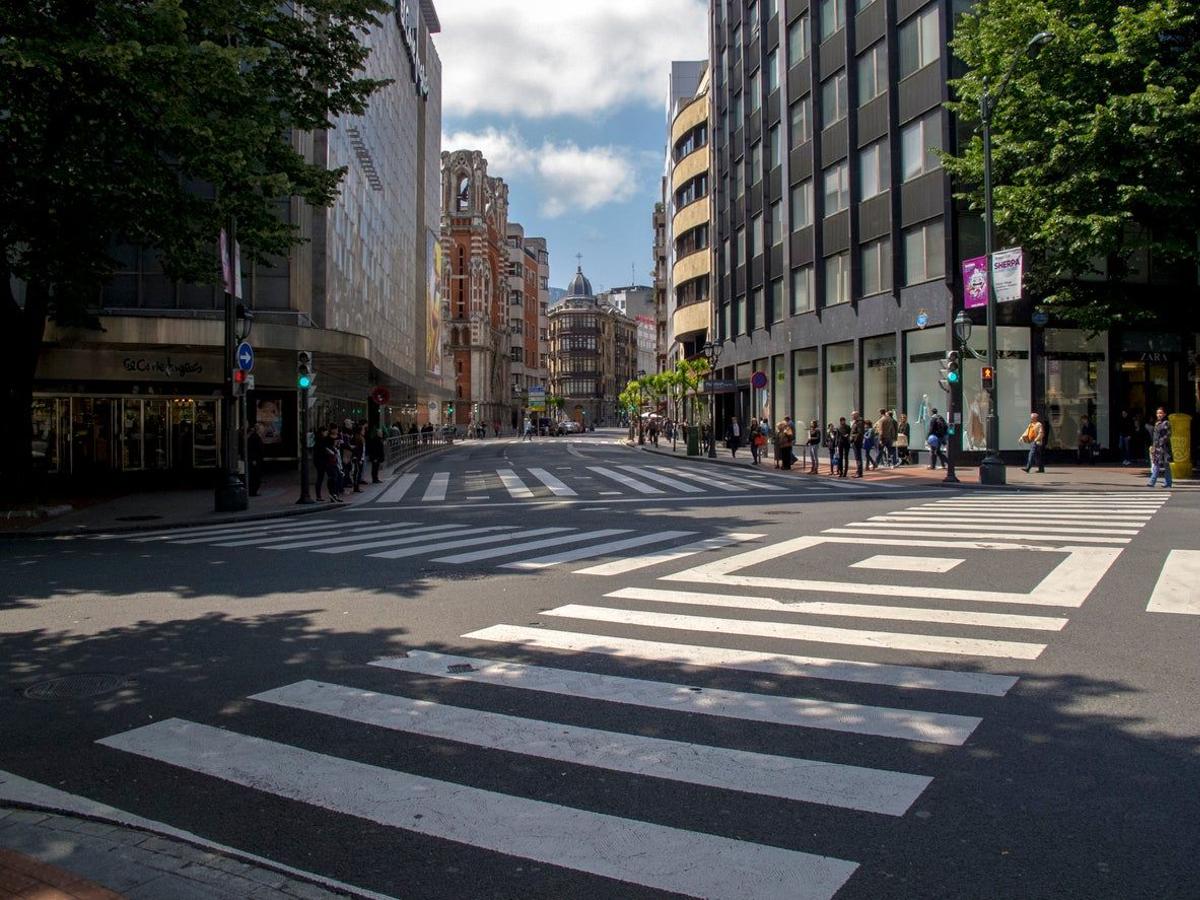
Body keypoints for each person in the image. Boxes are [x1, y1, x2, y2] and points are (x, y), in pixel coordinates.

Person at [1148, 407, 1173, 488]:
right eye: (1158, 413)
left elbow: (1168, 435)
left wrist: (1160, 442)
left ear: (1164, 414)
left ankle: (1168, 483)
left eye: (1161, 413)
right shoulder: (1157, 423)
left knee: (1166, 466)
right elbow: (1155, 437)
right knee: (1156, 465)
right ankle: (1152, 482)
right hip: (1158, 448)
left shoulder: (1166, 423)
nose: (1159, 415)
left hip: (1164, 448)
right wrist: (1153, 446)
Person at [246, 423, 264, 497]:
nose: (263, 430)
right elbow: (252, 449)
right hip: (255, 459)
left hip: (257, 459)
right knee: (255, 476)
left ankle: (253, 491)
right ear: (258, 429)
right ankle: (252, 491)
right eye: (262, 429)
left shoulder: (256, 437)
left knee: (256, 476)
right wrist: (253, 459)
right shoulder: (254, 437)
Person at [849, 411, 865, 477]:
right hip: (855, 442)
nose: (852, 416)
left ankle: (859, 472)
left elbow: (859, 433)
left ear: (856, 415)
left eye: (852, 415)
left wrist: (853, 438)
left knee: (858, 457)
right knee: (857, 457)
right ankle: (858, 471)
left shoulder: (859, 422)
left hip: (857, 442)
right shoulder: (856, 422)